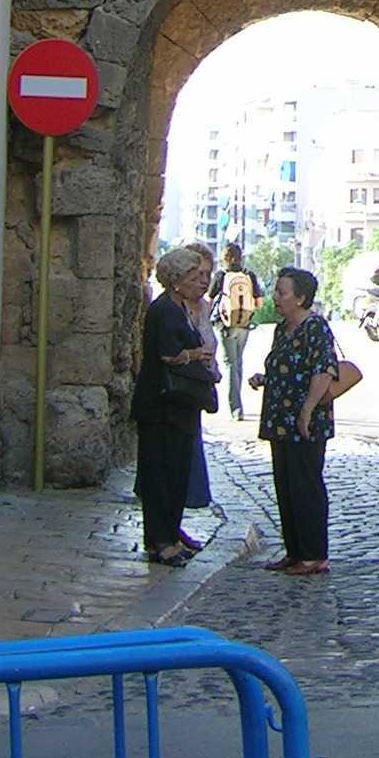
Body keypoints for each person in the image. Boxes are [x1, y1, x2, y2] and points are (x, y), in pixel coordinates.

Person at [248, 267, 338, 577]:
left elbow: (324, 370)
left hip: (305, 420)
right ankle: (295, 551)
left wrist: (307, 411)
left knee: (306, 484)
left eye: (282, 292)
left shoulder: (316, 328)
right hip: (279, 419)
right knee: (285, 484)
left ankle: (314, 555)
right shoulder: (281, 329)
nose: (276, 297)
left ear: (301, 298)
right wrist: (265, 378)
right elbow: (284, 365)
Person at [130, 245, 216, 567]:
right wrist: (198, 355)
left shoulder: (180, 307)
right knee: (161, 475)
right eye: (194, 276)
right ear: (177, 280)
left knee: (177, 472)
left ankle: (170, 535)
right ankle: (160, 541)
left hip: (179, 407)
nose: (200, 282)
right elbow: (168, 354)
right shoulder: (165, 309)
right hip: (161, 406)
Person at [181, 240, 223, 537]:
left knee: (189, 459)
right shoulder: (174, 308)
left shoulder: (205, 308)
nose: (204, 280)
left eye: (208, 273)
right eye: (198, 274)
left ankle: (176, 527)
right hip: (177, 392)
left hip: (196, 393)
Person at [208, 241, 262, 420]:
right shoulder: (249, 275)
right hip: (244, 325)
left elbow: (209, 299)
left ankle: (236, 409)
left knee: (230, 363)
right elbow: (259, 303)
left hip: (224, 325)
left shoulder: (221, 276)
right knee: (238, 362)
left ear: (224, 258)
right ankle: (238, 404)